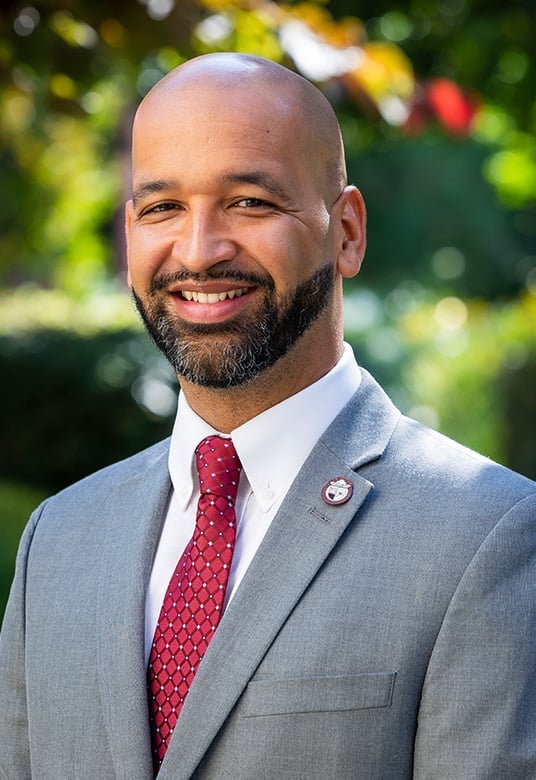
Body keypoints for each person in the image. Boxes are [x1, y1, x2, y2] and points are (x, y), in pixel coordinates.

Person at [0, 52, 535, 780]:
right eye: (163, 207)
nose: (198, 250)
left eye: (249, 201)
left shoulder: (489, 535)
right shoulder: (57, 541)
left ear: (346, 232)